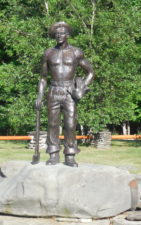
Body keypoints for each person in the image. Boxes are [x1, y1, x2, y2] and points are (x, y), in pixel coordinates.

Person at [35, 22, 94, 167]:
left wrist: (81, 88)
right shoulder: (48, 53)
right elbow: (43, 77)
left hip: (69, 92)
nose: (59, 36)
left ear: (67, 35)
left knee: (70, 124)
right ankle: (53, 154)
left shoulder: (76, 52)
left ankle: (70, 155)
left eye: (62, 33)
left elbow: (91, 72)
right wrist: (39, 96)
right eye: (57, 34)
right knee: (53, 124)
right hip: (54, 90)